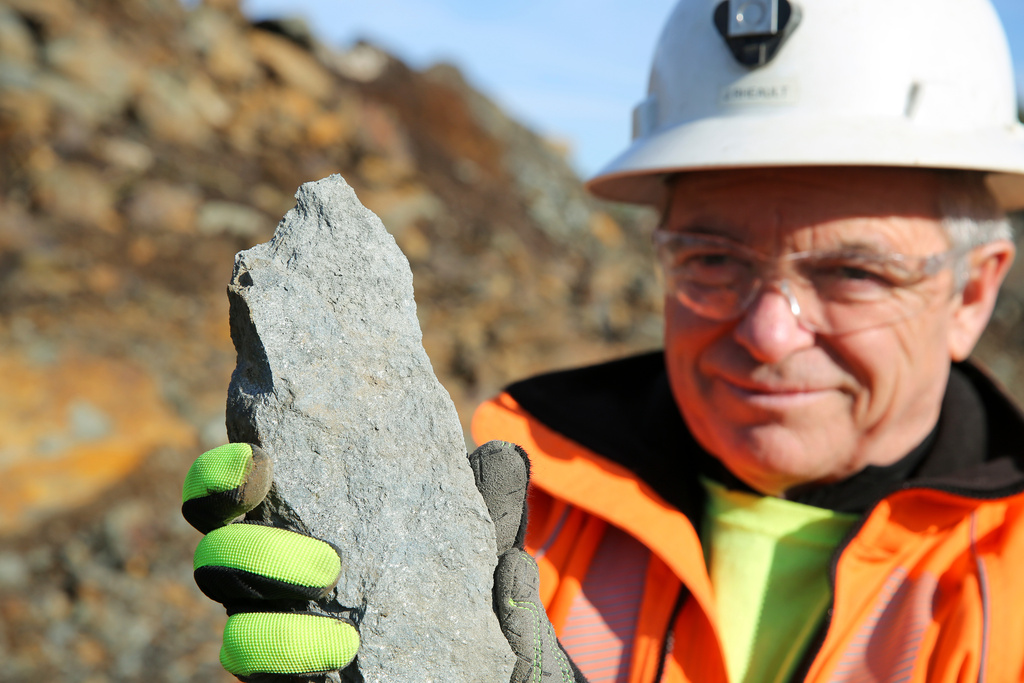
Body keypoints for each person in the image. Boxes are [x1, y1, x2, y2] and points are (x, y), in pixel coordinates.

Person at [181, 0, 1024, 681]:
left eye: (853, 273)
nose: (768, 333)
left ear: (973, 291)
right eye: (712, 259)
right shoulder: (507, 486)